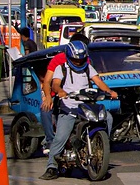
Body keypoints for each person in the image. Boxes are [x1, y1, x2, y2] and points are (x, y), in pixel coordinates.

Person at [40, 40, 117, 180]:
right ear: (69, 57)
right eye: (76, 60)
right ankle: (51, 166)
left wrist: (109, 91)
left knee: (108, 117)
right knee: (61, 137)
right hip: (69, 108)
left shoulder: (88, 67)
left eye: (81, 59)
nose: (78, 62)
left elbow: (98, 82)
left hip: (87, 105)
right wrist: (60, 91)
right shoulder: (61, 68)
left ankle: (100, 146)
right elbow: (55, 84)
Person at [39, 33, 91, 156]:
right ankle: (50, 141)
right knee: (45, 110)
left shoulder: (86, 60)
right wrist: (48, 97)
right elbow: (47, 81)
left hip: (77, 96)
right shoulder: (58, 59)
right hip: (56, 94)